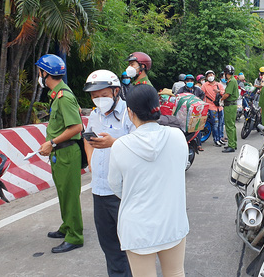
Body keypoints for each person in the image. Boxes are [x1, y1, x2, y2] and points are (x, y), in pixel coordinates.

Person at [108, 84, 189, 277]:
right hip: (172, 222)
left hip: (137, 228)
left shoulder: (120, 146)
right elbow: (181, 166)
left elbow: (116, 186)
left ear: (130, 112)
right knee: (176, 272)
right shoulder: (177, 136)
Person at [83, 70, 134, 276]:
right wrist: (91, 161)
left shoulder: (130, 114)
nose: (98, 100)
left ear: (115, 91)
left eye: (103, 95)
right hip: (100, 190)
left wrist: (114, 143)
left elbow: (140, 146)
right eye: (94, 96)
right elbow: (88, 140)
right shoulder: (94, 115)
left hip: (123, 191)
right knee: (109, 246)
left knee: (131, 244)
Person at [36, 54, 84, 253]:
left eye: (40, 71)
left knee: (70, 194)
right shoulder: (57, 95)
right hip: (59, 153)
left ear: (46, 73)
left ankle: (75, 236)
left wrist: (52, 142)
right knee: (63, 192)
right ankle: (67, 226)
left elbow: (77, 127)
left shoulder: (64, 97)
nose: (38, 75)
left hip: (66, 152)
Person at [201, 70, 225, 147]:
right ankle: (216, 139)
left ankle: (220, 138)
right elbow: (201, 95)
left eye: (211, 75)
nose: (210, 76)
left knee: (221, 124)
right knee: (215, 124)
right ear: (206, 77)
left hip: (220, 107)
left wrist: (219, 91)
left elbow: (224, 93)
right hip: (211, 107)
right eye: (208, 75)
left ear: (214, 76)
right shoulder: (204, 85)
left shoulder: (219, 85)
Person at [221, 65, 238, 153]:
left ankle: (231, 145)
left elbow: (227, 94)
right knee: (232, 125)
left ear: (226, 73)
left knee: (229, 126)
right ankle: (233, 144)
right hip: (232, 105)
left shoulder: (231, 81)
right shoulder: (232, 80)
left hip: (229, 106)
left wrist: (220, 99)